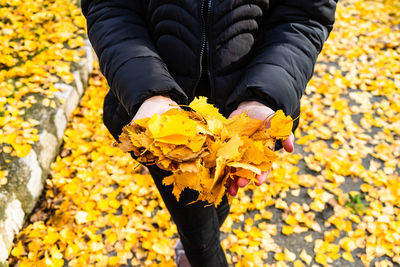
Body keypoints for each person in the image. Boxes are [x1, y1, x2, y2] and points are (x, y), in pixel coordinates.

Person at [81, 1, 337, 266]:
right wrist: (149, 90)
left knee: (221, 195)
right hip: (161, 120)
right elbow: (110, 6)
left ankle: (195, 248)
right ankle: (198, 254)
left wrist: (264, 95)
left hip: (246, 105)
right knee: (198, 233)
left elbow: (305, 16)